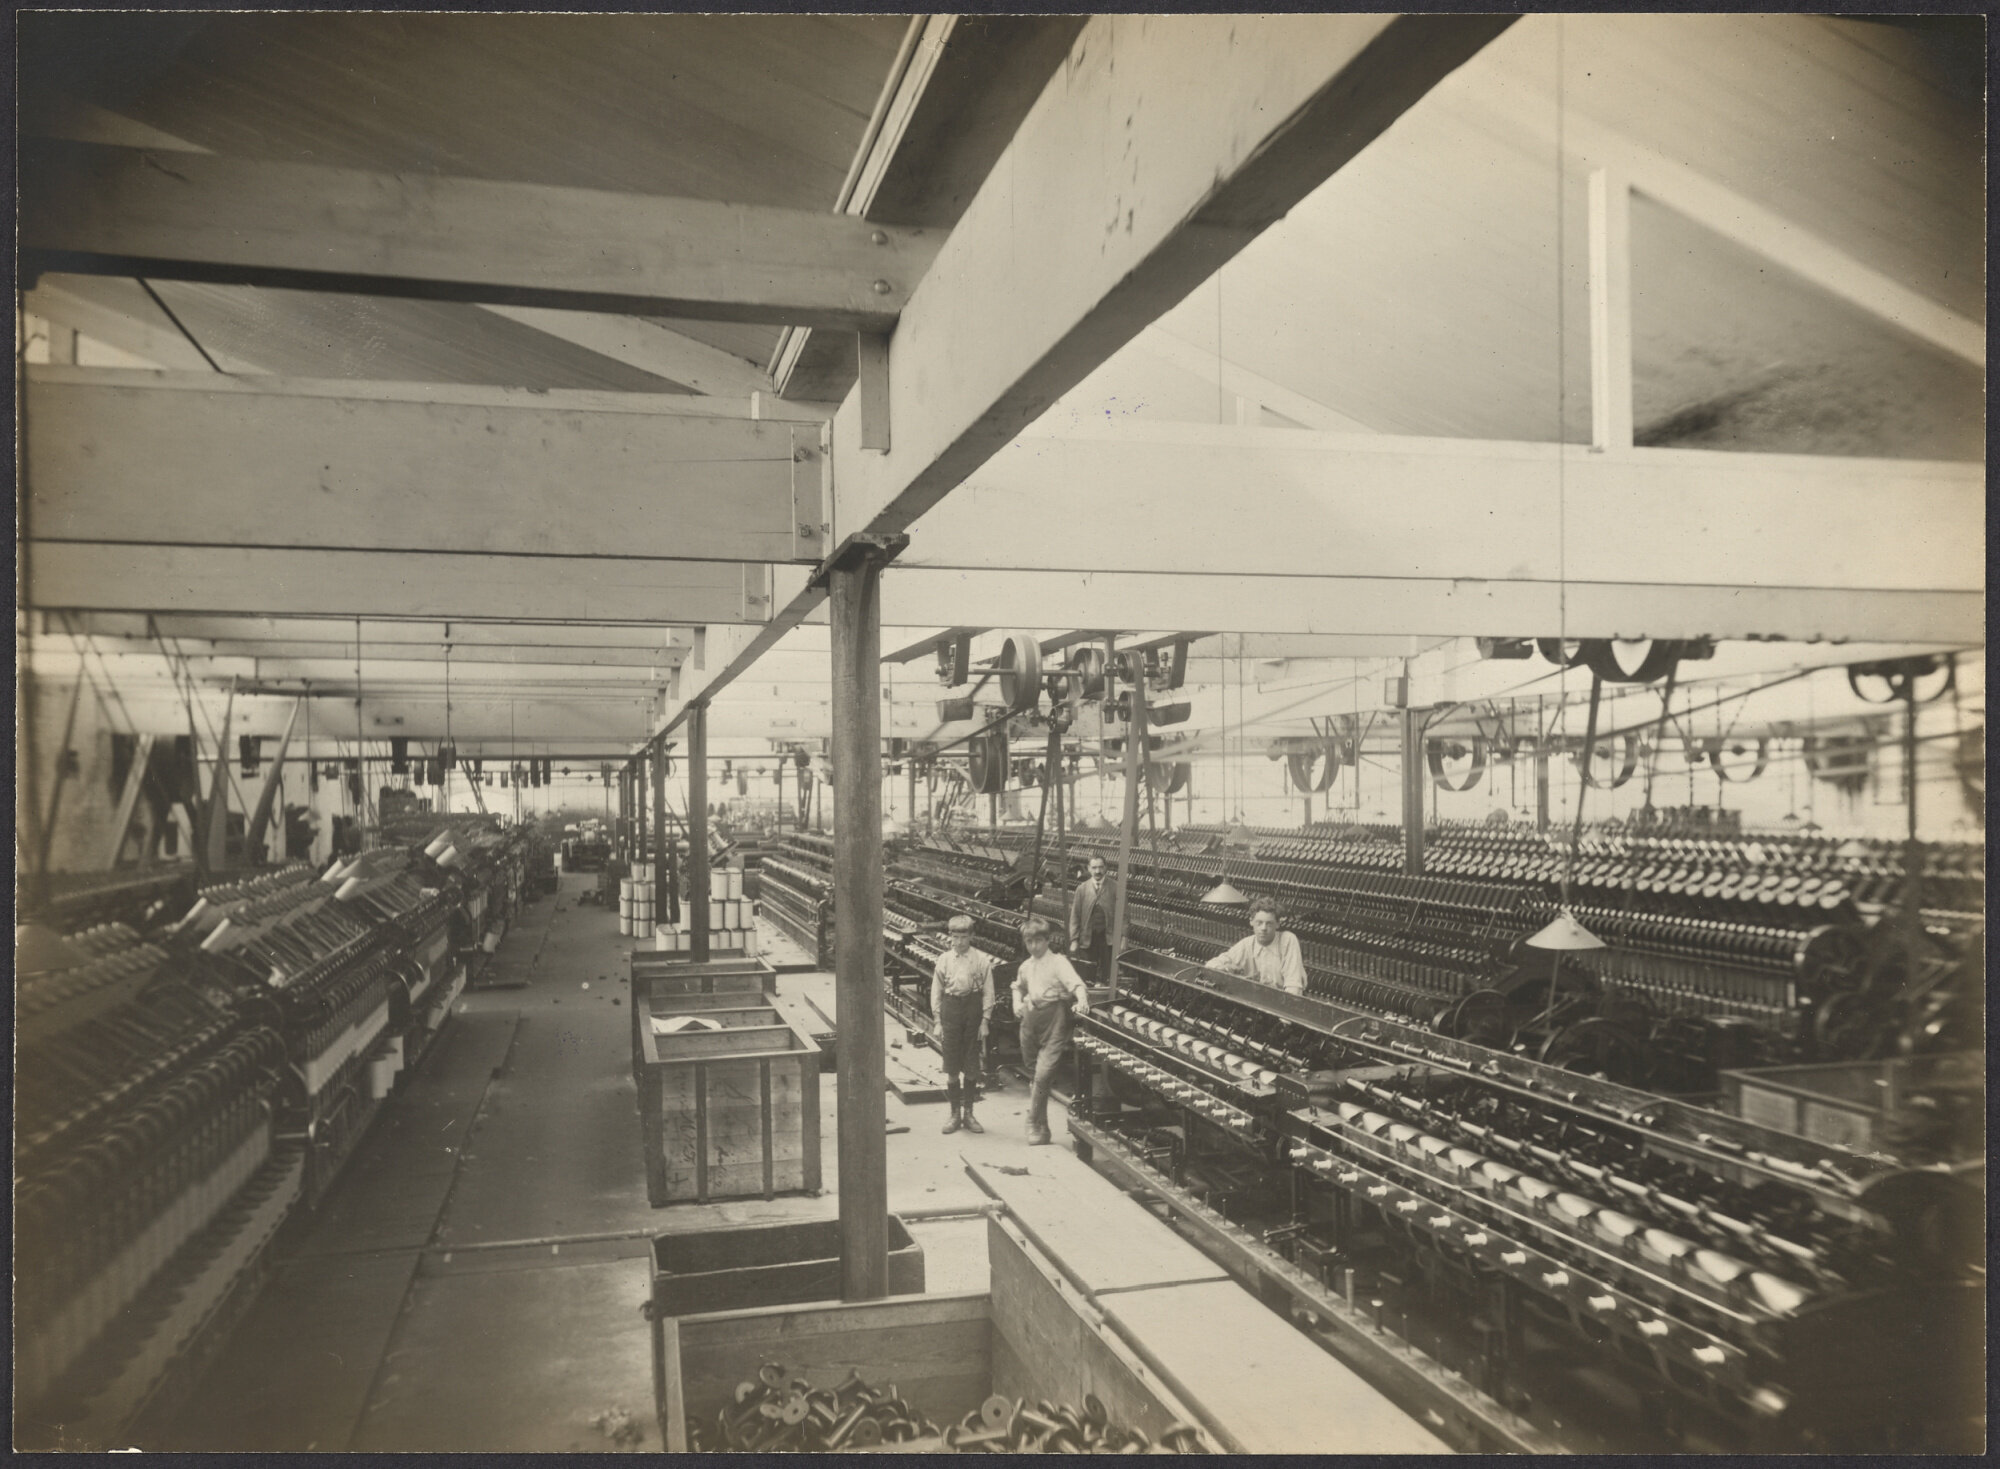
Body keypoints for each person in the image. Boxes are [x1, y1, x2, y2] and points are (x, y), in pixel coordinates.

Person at [1010, 916, 1091, 1146]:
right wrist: (1017, 1003)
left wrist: (1082, 999)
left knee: (1043, 1074)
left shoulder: (1058, 962)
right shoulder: (1026, 966)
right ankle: (1042, 1129)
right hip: (1030, 1019)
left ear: (1047, 940)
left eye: (1037, 941)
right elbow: (1018, 987)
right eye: (1029, 942)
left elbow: (1076, 984)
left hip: (1054, 1019)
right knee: (1034, 1073)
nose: (1033, 946)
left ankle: (1031, 1120)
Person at [930, 916, 996, 1134]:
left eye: (963, 937)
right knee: (951, 1064)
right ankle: (954, 1114)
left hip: (972, 1011)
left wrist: (985, 1020)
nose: (958, 942)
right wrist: (938, 1021)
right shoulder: (944, 960)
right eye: (955, 937)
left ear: (971, 936)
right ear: (950, 936)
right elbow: (936, 992)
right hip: (950, 1010)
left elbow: (988, 992)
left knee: (970, 1065)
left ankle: (969, 1113)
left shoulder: (981, 960)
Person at [1205, 899, 1307, 994]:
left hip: (1282, 1002)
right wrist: (1226, 969)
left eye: (1269, 924)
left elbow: (1294, 987)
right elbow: (1210, 965)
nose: (1263, 928)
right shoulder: (1247, 944)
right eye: (1259, 923)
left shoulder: (1287, 940)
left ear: (1278, 924)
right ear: (1251, 922)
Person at [1069, 855, 1116, 979]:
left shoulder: (1115, 888)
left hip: (1108, 938)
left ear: (1106, 868)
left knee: (1109, 974)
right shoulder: (1082, 889)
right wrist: (1074, 940)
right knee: (1087, 973)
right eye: (1094, 867)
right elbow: (1075, 915)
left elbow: (1124, 916)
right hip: (1088, 938)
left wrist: (1123, 939)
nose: (1097, 871)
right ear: (1088, 869)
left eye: (1101, 867)